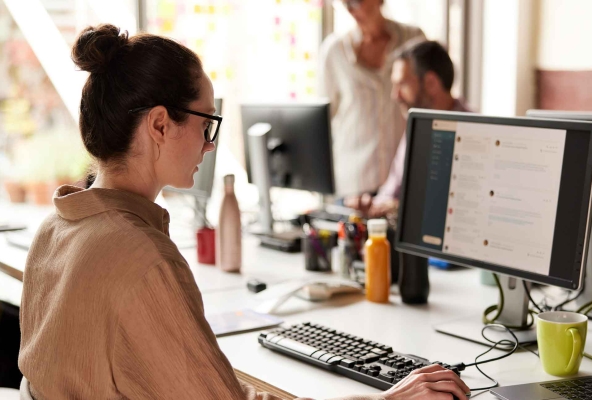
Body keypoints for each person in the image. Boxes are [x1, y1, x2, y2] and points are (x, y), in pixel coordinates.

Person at [18, 25, 469, 400]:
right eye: (205, 122)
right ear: (159, 124)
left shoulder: (56, 228)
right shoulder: (143, 259)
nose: (211, 144)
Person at [346, 40, 471, 217]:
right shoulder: (418, 125)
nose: (395, 95)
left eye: (402, 84)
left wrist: (398, 207)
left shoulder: (475, 133)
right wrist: (372, 206)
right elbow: (393, 191)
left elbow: (461, 207)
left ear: (431, 83)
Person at [318, 0, 425, 197]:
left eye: (356, 1)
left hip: (404, 184)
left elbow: (428, 102)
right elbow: (322, 121)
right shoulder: (334, 51)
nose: (350, 8)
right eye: (345, 2)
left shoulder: (413, 39)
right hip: (354, 186)